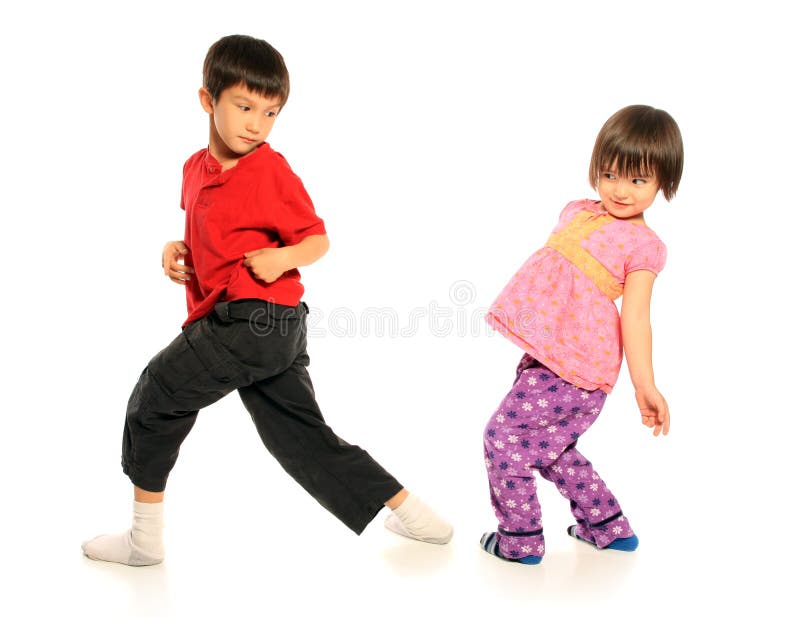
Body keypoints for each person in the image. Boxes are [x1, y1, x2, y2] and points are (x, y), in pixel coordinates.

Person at [82, 34, 452, 567]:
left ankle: (143, 540)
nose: (256, 124)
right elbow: (205, 232)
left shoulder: (270, 169)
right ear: (208, 100)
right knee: (300, 437)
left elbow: (318, 239)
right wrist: (176, 250)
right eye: (245, 106)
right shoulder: (193, 170)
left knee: (155, 398)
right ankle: (419, 517)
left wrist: (282, 259)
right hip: (265, 331)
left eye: (271, 113)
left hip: (250, 320)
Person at [480, 105, 682, 564]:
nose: (620, 190)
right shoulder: (578, 210)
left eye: (639, 180)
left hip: (578, 367)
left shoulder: (645, 247)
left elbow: (636, 319)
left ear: (664, 183)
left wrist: (645, 385)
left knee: (503, 438)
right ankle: (609, 528)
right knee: (546, 446)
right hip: (549, 358)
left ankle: (519, 541)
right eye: (611, 174)